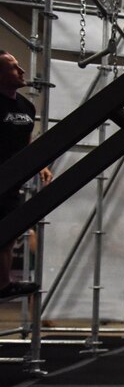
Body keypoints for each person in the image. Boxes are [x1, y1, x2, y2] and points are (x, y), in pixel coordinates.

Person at [0, 50, 52, 300]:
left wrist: (39, 164)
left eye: (19, 65)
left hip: (12, 184)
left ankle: (3, 284)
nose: (21, 71)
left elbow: (26, 141)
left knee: (7, 236)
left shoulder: (26, 106)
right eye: (12, 67)